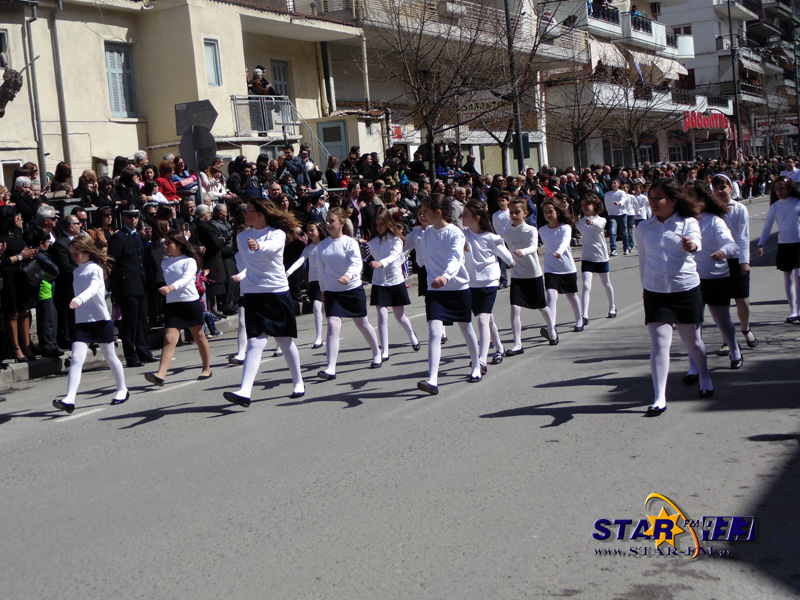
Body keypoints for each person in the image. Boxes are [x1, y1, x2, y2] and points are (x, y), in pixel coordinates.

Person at [636, 179, 711, 417]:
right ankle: (659, 397)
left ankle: (705, 376)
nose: (653, 202)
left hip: (685, 290)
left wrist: (692, 245)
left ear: (673, 200)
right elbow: (642, 259)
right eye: (650, 198)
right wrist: (645, 286)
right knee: (659, 343)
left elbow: (696, 242)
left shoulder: (687, 222)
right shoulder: (643, 228)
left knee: (693, 342)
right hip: (656, 292)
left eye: (658, 198)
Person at [223, 198, 305, 406]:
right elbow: (251, 259)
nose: (244, 213)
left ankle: (298, 381)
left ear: (260, 214)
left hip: (276, 292)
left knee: (284, 341)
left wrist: (260, 245)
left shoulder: (277, 233)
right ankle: (245, 391)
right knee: (254, 342)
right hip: (253, 293)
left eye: (249, 210)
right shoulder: (242, 237)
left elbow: (274, 247)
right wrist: (256, 246)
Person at [52, 236, 129, 413]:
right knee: (76, 358)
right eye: (72, 253)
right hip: (82, 322)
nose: (74, 256)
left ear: (87, 251)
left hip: (100, 320)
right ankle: (70, 398)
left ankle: (122, 389)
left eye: (77, 253)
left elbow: (93, 288)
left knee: (110, 356)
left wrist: (79, 299)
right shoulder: (76, 271)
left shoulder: (95, 269)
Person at [415, 193, 481, 394]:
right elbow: (420, 259)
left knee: (466, 329)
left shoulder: (455, 233)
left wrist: (446, 276)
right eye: (421, 212)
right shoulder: (426, 233)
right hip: (435, 291)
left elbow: (455, 258)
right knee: (434, 332)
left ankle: (476, 365)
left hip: (457, 288)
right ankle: (432, 380)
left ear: (438, 212)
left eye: (425, 212)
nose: (422, 215)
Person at [682, 180, 743, 374]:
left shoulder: (714, 220)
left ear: (701, 198)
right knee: (693, 325)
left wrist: (723, 251)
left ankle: (734, 350)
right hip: (691, 280)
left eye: (691, 195)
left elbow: (731, 245)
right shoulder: (682, 221)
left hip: (716, 277)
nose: (686, 198)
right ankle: (694, 366)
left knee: (722, 320)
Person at [315, 207, 382, 379]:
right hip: (332, 291)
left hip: (352, 289)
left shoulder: (350, 242)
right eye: (327, 221)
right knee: (333, 326)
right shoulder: (322, 246)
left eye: (331, 221)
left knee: (362, 323)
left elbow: (356, 264)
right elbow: (321, 271)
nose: (328, 224)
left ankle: (376, 352)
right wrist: (322, 290)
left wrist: (348, 276)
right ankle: (330, 368)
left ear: (341, 223)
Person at [144, 231, 212, 387]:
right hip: (173, 305)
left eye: (169, 243)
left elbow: (186, 279)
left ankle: (206, 368)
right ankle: (160, 375)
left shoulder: (190, 261)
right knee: (169, 339)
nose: (166, 246)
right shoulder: (165, 263)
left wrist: (170, 288)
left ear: (179, 245)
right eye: (165, 243)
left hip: (190, 302)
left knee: (199, 336)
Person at [462, 200, 514, 371]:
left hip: (489, 283)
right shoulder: (462, 236)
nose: (462, 217)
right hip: (471, 284)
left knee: (482, 319)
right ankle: (499, 348)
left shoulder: (492, 238)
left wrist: (511, 261)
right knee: (488, 317)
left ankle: (481, 360)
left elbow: (508, 258)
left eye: (466, 214)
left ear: (477, 218)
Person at [502, 198, 557, 350]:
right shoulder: (507, 232)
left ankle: (552, 331)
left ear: (525, 213)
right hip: (517, 275)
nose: (514, 215)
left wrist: (524, 251)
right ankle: (517, 344)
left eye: (517, 212)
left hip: (533, 274)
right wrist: (508, 260)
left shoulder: (531, 230)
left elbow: (534, 247)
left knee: (541, 306)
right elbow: (504, 249)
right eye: (511, 213)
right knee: (515, 307)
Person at [712, 173, 758, 351]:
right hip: (718, 260)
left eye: (722, 187)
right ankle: (726, 339)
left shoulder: (739, 209)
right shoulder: (711, 210)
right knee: (721, 303)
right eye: (716, 188)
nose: (719, 191)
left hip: (736, 259)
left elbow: (744, 236)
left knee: (742, 300)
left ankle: (746, 329)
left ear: (731, 188)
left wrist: (744, 261)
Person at [368, 207, 420, 362]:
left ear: (388, 223)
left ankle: (412, 335)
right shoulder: (372, 241)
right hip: (379, 281)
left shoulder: (396, 239)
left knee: (400, 316)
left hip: (395, 280)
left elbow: (395, 255)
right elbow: (369, 255)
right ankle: (385, 350)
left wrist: (381, 263)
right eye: (376, 224)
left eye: (382, 224)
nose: (379, 227)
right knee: (382, 316)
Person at [108, 209, 156, 367]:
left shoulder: (138, 236)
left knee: (142, 320)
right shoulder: (119, 237)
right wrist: (116, 287)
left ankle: (144, 351)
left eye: (136, 216)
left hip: (140, 283)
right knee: (130, 322)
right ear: (123, 218)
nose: (133, 219)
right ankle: (131, 355)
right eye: (130, 216)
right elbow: (113, 263)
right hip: (127, 285)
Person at [757, 175, 800, 322]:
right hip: (784, 244)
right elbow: (767, 226)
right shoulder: (775, 207)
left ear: (789, 188)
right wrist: (761, 244)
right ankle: (793, 311)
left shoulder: (798, 203)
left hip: (798, 243)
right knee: (788, 277)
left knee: (798, 276)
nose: (780, 191)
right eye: (777, 189)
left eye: (782, 188)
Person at [540, 198, 583, 337]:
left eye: (550, 211)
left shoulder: (565, 227)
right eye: (545, 212)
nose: (548, 214)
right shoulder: (542, 230)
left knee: (571, 295)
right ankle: (551, 327)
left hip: (566, 267)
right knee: (551, 296)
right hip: (550, 268)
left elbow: (565, 242)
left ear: (557, 212)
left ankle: (579, 320)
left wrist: (559, 251)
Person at [0, 206, 39, 361]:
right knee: (13, 313)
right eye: (16, 216)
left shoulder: (17, 233)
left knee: (25, 311)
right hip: (9, 277)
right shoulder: (1, 237)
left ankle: (27, 346)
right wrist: (20, 257)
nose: (20, 219)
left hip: (21, 276)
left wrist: (29, 253)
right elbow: (2, 261)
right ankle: (16, 348)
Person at [285, 221, 326, 349]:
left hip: (327, 280)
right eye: (308, 230)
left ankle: (332, 328)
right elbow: (300, 261)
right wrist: (288, 272)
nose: (309, 232)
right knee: (317, 307)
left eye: (312, 230)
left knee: (323, 308)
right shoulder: (308, 248)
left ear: (319, 230)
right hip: (314, 282)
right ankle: (319, 337)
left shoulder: (326, 245)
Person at [576, 193, 616, 322]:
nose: (585, 207)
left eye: (587, 204)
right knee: (586, 285)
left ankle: (612, 307)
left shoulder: (601, 220)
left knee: (606, 283)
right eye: (583, 204)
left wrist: (592, 222)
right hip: (587, 257)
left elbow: (600, 226)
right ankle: (584, 314)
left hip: (601, 257)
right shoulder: (580, 222)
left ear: (594, 205)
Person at [604, 178, 628, 256]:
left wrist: (619, 203)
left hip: (622, 214)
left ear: (618, 184)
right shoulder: (608, 194)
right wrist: (609, 211)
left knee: (624, 232)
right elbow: (606, 203)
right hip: (612, 215)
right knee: (612, 231)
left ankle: (626, 247)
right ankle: (613, 249)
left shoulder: (622, 193)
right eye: (612, 183)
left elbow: (623, 200)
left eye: (615, 183)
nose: (613, 185)